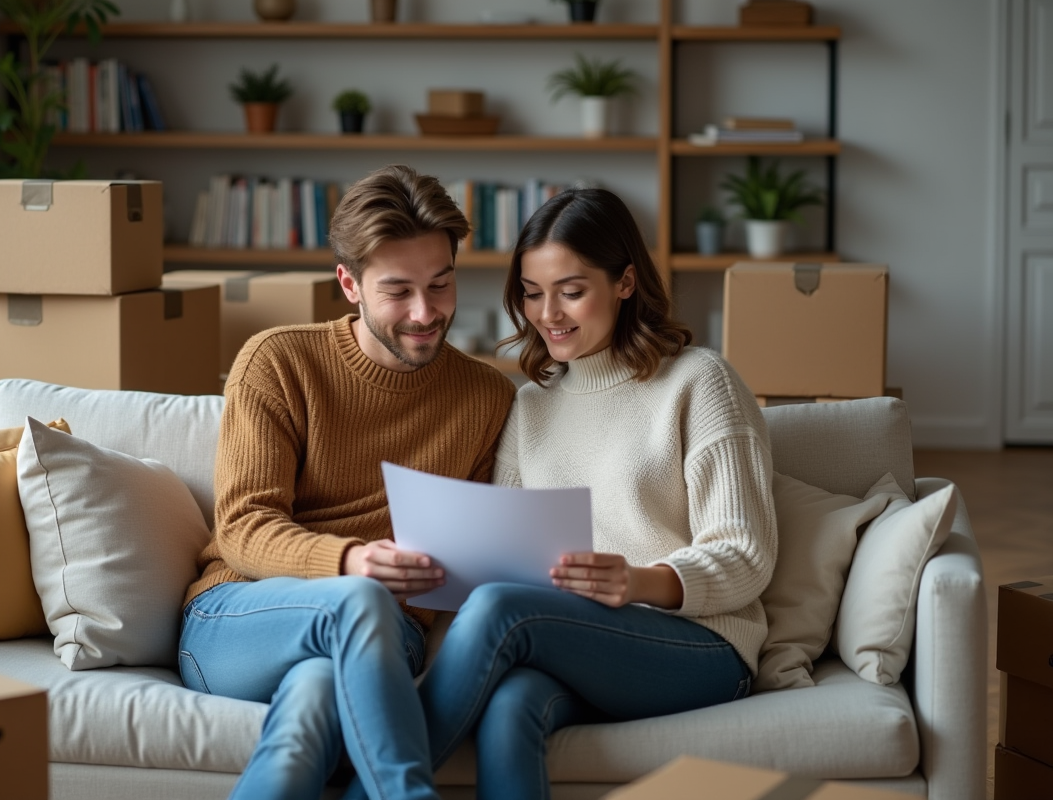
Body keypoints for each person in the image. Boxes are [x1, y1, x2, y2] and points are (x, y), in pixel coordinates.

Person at [418, 188, 778, 799]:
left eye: (571, 290)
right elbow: (503, 559)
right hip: (571, 644)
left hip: (702, 648)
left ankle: (367, 781)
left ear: (626, 282)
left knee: (504, 609)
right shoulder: (530, 406)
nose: (547, 313)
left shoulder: (700, 381)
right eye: (532, 293)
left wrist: (638, 581)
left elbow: (747, 554)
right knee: (510, 705)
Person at [177, 164, 516, 800]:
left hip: (387, 641)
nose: (425, 313)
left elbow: (468, 563)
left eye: (441, 285)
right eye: (399, 291)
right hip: (236, 619)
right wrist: (352, 561)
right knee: (360, 598)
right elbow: (243, 526)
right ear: (349, 284)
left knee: (307, 714)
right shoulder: (277, 361)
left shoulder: (486, 396)